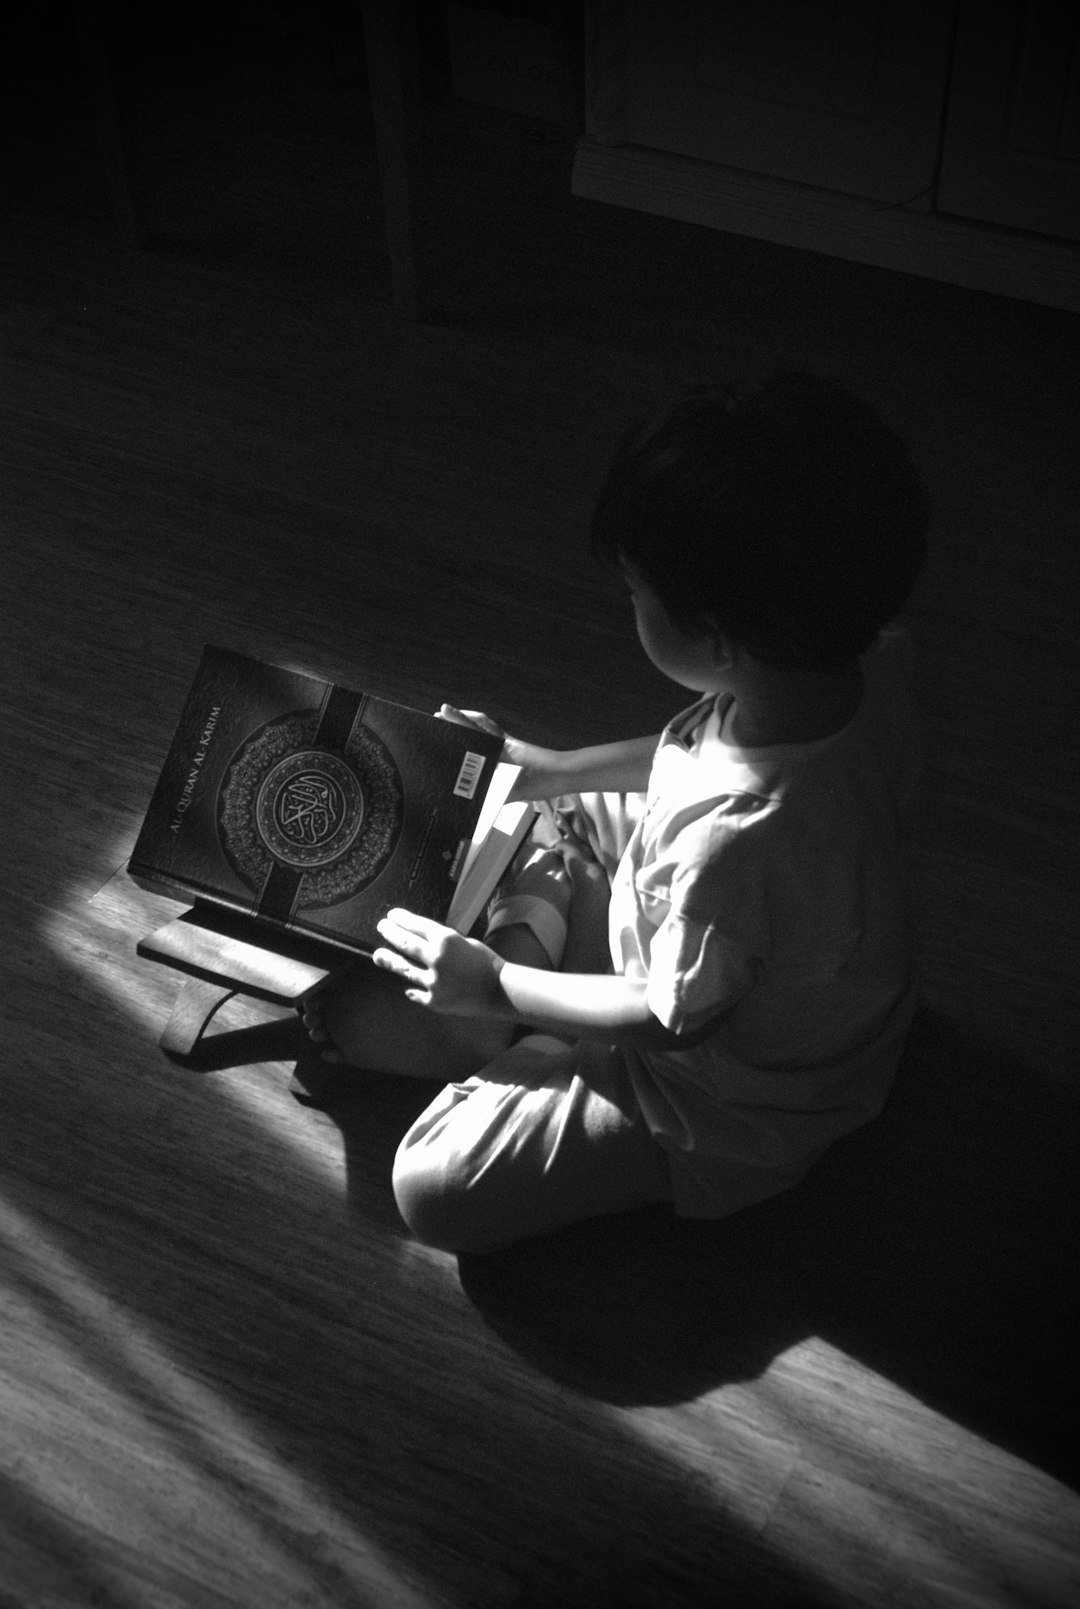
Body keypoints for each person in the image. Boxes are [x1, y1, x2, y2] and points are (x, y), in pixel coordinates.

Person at [304, 372, 930, 1253]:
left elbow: (673, 1022)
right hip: (793, 968)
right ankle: (524, 970)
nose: (629, 605)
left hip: (718, 1097)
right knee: (534, 800)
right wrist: (553, 770)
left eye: (638, 592)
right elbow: (693, 752)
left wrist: (494, 986)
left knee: (431, 1187)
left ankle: (501, 1009)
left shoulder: (736, 838)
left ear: (717, 634)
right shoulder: (868, 664)